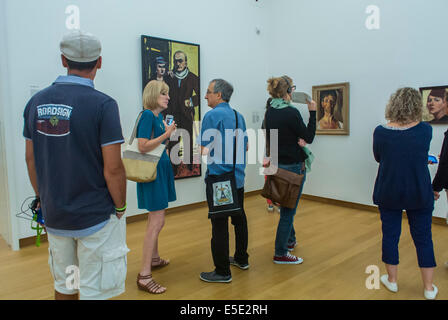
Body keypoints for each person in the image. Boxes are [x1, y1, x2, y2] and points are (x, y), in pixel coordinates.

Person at [23, 30, 128, 300]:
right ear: (100, 62)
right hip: (95, 217)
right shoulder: (103, 105)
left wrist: (42, 199)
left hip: (56, 215)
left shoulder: (36, 102)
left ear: (63, 60)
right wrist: (121, 205)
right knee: (95, 290)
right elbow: (113, 168)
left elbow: (31, 158)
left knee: (67, 284)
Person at [373, 87, 438, 300]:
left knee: (390, 236)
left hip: (389, 190)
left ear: (393, 104)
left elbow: (379, 157)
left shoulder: (380, 132)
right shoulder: (425, 130)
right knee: (423, 239)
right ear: (417, 106)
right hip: (418, 191)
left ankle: (391, 282)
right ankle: (429, 288)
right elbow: (416, 154)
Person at [199, 79, 249, 283]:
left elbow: (204, 149)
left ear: (219, 95)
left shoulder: (211, 116)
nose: (205, 96)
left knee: (219, 224)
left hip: (220, 179)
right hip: (237, 177)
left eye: (208, 92)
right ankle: (241, 259)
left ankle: (222, 271)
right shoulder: (239, 116)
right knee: (239, 218)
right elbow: (245, 147)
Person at [264, 75, 316, 264]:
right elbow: (309, 137)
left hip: (277, 165)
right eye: (292, 88)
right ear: (288, 91)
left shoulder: (270, 111)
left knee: (286, 204)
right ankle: (281, 252)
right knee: (288, 210)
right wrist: (313, 112)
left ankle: (291, 240)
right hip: (293, 166)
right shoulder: (291, 113)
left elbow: (277, 139)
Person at [136, 80, 177, 294]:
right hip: (152, 174)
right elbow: (142, 146)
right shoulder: (147, 116)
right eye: (163, 93)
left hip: (158, 172)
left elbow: (156, 145)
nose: (168, 97)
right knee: (156, 221)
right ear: (153, 95)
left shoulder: (157, 117)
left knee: (157, 220)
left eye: (168, 94)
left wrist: (164, 135)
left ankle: (153, 259)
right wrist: (166, 134)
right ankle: (144, 275)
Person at [164, 50, 200, 175]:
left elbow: (200, 95)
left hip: (186, 115)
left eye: (180, 60)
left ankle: (189, 167)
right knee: (173, 142)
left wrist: (190, 101)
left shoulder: (193, 77)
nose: (177, 63)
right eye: (175, 61)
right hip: (173, 115)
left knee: (187, 141)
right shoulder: (169, 77)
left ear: (185, 62)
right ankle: (174, 169)